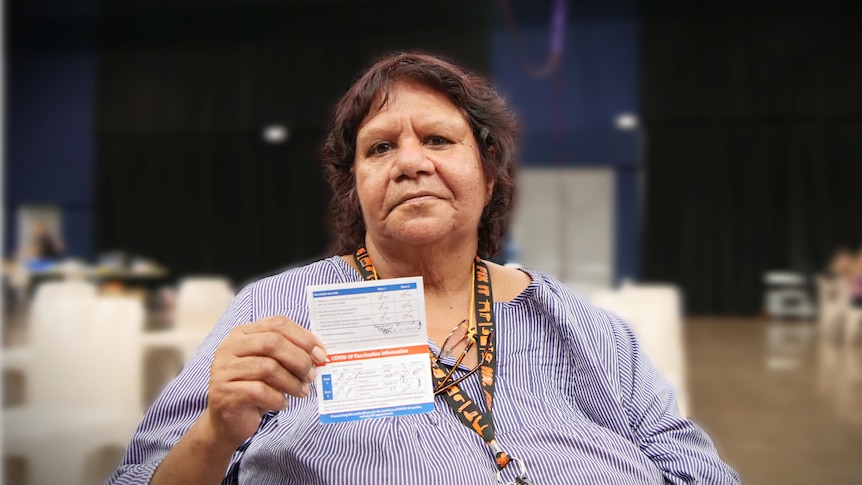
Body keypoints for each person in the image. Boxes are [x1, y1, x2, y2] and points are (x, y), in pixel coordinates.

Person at [108, 52, 740, 484]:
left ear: (489, 177)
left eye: (438, 140)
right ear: (353, 187)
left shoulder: (581, 327)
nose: (410, 162)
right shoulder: (279, 312)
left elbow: (697, 467)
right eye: (380, 148)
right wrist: (217, 431)